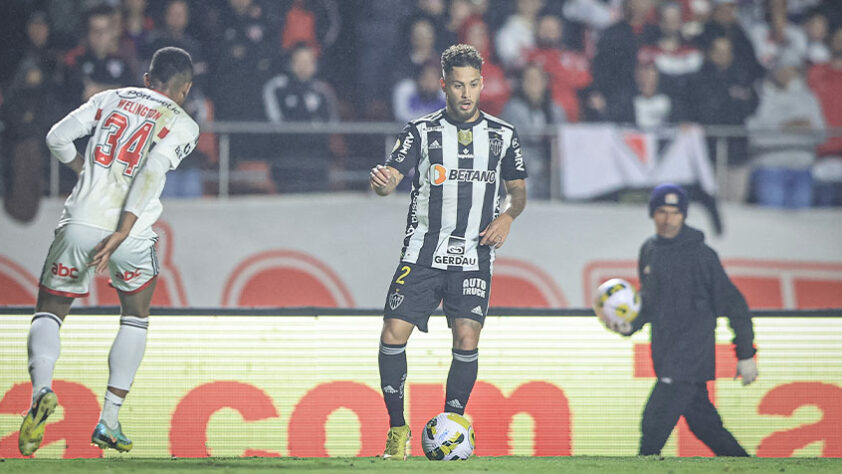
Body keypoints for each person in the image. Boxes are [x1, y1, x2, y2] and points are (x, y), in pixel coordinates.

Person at [18, 47, 199, 456]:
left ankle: (42, 392)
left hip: (81, 219)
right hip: (131, 235)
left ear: (148, 78)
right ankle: (109, 420)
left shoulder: (110, 98)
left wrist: (83, 170)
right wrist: (124, 229)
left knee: (50, 309)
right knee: (135, 318)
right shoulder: (183, 124)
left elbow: (55, 137)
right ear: (184, 89)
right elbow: (153, 169)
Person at [369, 44, 527, 460]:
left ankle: (452, 423)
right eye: (457, 85)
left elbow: (518, 194)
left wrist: (508, 218)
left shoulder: (503, 136)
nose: (465, 93)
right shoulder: (420, 132)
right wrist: (383, 183)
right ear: (443, 85)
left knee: (467, 336)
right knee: (391, 334)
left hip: (473, 256)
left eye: (473, 84)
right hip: (422, 253)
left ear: (482, 85)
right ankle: (397, 429)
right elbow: (390, 179)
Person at [595, 183, 758, 457]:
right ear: (652, 213)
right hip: (666, 355)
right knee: (707, 428)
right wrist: (629, 325)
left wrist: (745, 354)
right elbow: (649, 304)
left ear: (684, 215)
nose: (668, 219)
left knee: (653, 425)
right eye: (662, 211)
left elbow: (735, 304)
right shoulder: (650, 250)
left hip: (689, 358)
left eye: (675, 212)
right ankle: (748, 466)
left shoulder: (702, 256)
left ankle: (644, 466)